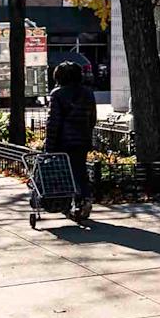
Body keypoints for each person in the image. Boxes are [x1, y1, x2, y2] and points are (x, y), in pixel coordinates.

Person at [44, 61, 97, 218]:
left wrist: (49, 145)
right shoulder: (88, 93)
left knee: (64, 174)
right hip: (82, 139)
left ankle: (67, 203)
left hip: (63, 141)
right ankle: (84, 199)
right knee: (80, 171)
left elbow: (53, 122)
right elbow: (92, 118)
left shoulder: (57, 94)